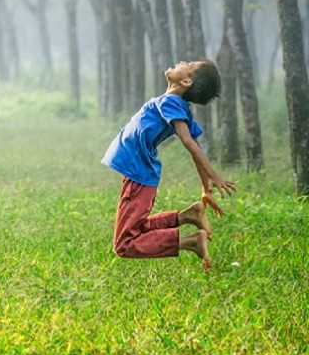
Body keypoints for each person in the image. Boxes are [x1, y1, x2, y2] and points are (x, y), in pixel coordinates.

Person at [101, 60, 236, 272]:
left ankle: (191, 242)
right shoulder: (175, 104)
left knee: (124, 244)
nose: (182, 61)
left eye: (188, 64)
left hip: (139, 174)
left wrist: (213, 175)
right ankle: (187, 216)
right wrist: (205, 187)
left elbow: (189, 141)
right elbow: (194, 143)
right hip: (138, 173)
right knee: (135, 228)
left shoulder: (172, 102)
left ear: (186, 80)